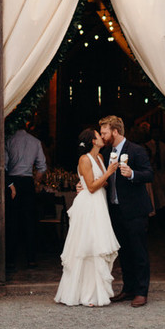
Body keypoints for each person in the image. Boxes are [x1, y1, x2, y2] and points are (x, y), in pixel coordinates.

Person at [54, 128, 119, 306]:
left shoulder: (100, 157)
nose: (102, 137)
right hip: (88, 205)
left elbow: (100, 183)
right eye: (99, 135)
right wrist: (108, 173)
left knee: (97, 246)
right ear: (93, 141)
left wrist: (100, 179)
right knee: (87, 247)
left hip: (99, 203)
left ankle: (95, 292)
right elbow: (91, 187)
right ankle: (83, 294)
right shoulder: (84, 159)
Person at [99, 114, 154, 307]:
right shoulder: (106, 152)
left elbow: (149, 174)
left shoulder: (136, 150)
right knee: (123, 253)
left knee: (139, 252)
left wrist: (132, 174)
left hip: (135, 210)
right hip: (115, 210)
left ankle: (141, 292)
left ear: (115, 132)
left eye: (105, 133)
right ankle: (128, 289)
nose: (102, 136)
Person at [5, 122, 47, 270]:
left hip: (12, 183)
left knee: (12, 221)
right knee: (30, 221)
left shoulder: (8, 140)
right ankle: (31, 259)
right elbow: (42, 167)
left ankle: (10, 260)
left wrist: (9, 183)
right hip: (28, 182)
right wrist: (35, 181)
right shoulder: (35, 142)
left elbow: (3, 165)